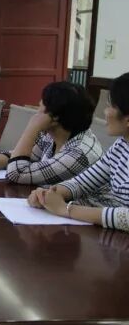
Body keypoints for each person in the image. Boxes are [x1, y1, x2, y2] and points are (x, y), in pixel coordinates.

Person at [28, 72, 129, 231]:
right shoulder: (121, 145)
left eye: (110, 105)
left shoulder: (81, 149)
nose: (104, 112)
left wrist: (65, 209)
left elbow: (126, 218)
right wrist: (49, 194)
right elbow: (82, 182)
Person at [0, 82, 101, 185]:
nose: (36, 111)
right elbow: (20, 156)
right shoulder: (55, 135)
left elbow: (16, 173)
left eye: (41, 107)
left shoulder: (78, 154)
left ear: (55, 117)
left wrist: (32, 127)